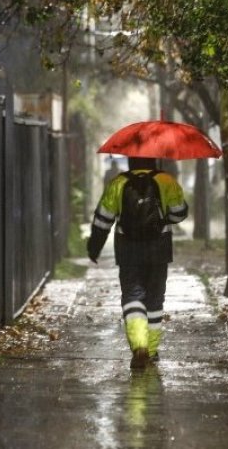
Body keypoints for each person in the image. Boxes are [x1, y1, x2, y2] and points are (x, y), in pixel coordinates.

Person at [87, 157, 188, 369]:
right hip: (159, 248)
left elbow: (103, 219)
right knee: (154, 300)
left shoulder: (118, 183)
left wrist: (94, 247)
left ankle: (139, 345)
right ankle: (150, 350)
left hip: (128, 248)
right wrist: (162, 218)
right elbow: (179, 213)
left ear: (131, 159)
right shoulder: (165, 180)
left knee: (133, 295)